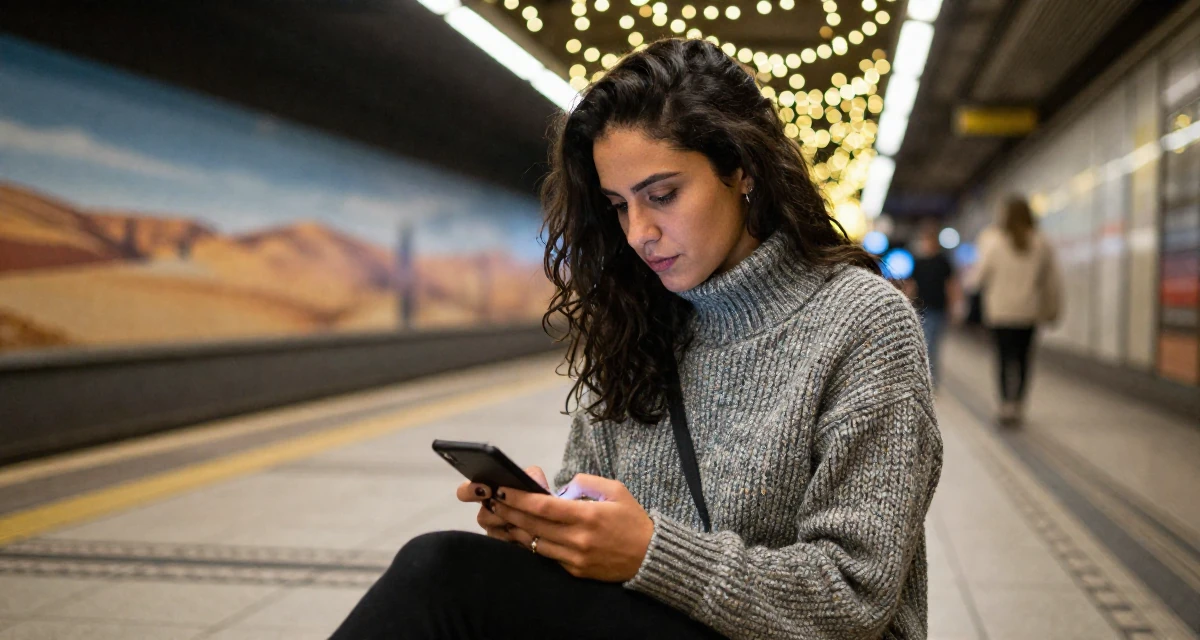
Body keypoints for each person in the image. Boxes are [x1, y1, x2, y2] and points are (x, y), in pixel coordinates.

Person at [333, 38, 943, 640]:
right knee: (450, 577)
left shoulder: (863, 322)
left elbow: (854, 597)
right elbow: (596, 506)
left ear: (742, 171)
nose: (640, 233)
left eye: (663, 195)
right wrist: (554, 524)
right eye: (619, 206)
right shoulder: (639, 322)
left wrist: (654, 554)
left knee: (441, 574)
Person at [974, 197, 1062, 425]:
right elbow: (1051, 282)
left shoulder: (994, 241)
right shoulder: (1042, 243)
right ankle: (1019, 404)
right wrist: (1052, 310)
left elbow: (979, 275)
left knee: (1003, 359)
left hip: (1000, 312)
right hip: (1028, 312)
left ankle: (1006, 405)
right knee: (1024, 359)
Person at [904, 221, 960, 387]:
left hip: (937, 309)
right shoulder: (919, 262)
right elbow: (911, 285)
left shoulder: (943, 262)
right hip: (921, 308)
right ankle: (923, 378)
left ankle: (930, 380)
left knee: (933, 345)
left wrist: (954, 306)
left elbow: (950, 285)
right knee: (923, 343)